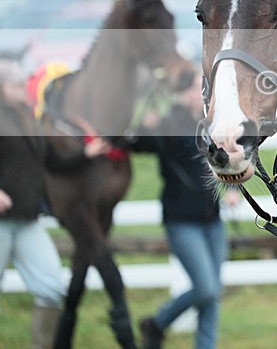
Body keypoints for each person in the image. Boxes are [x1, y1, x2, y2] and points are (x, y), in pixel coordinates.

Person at [0, 61, 108, 349]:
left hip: (27, 220)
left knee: (50, 287)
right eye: (14, 85)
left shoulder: (28, 119)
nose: (22, 90)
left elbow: (53, 162)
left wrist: (86, 153)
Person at [132, 73, 233, 349]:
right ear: (182, 93)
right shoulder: (168, 123)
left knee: (212, 294)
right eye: (193, 89)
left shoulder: (212, 124)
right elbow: (139, 144)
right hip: (181, 221)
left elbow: (225, 161)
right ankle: (158, 322)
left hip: (212, 219)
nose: (198, 94)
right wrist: (144, 125)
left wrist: (233, 189)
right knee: (207, 288)